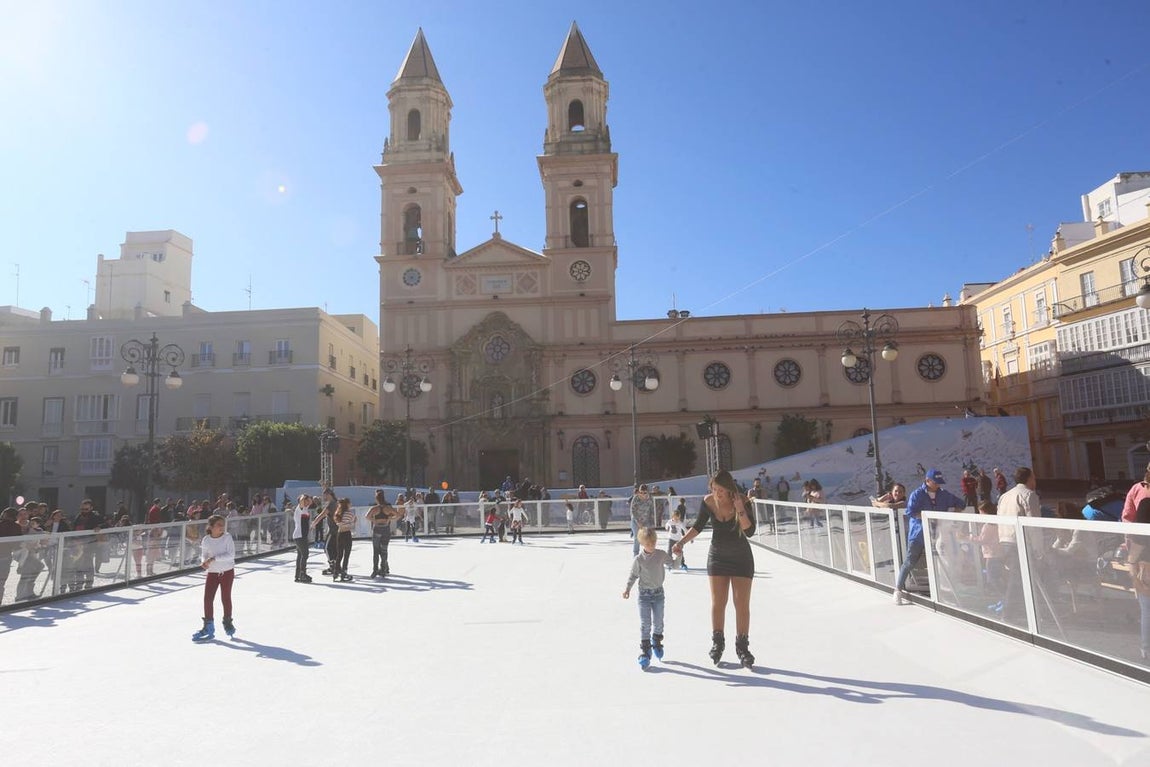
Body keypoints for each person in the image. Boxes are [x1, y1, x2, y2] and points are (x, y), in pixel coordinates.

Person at [672, 470, 757, 668]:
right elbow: (698, 526)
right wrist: (681, 543)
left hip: (741, 558)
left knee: (741, 604)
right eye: (714, 489)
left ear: (729, 489)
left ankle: (742, 647)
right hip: (717, 557)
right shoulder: (709, 502)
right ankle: (717, 643)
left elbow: (750, 531)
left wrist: (739, 509)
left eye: (720, 489)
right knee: (718, 602)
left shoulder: (742, 500)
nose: (717, 493)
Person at [893, 469, 963, 605]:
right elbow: (911, 511)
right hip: (918, 534)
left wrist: (951, 516)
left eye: (939, 483)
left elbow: (960, 503)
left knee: (941, 561)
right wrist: (928, 518)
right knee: (910, 561)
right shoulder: (917, 494)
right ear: (928, 481)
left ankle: (943, 591)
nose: (938, 485)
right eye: (935, 482)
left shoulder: (944, 494)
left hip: (938, 535)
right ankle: (898, 590)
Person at [623, 527, 682, 669]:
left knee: (658, 622)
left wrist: (678, 555)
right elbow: (633, 575)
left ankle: (656, 640)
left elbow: (674, 565)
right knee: (645, 624)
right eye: (648, 543)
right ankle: (645, 650)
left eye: (654, 542)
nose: (652, 545)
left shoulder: (661, 555)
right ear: (642, 543)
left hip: (658, 594)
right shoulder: (639, 559)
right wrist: (627, 588)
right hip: (644, 595)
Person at [994, 466, 1041, 622]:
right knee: (1018, 579)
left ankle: (1021, 612)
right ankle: (1009, 615)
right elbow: (1033, 524)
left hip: (1006, 540)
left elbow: (999, 519)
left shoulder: (1005, 496)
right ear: (1028, 479)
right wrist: (1038, 548)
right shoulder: (1029, 495)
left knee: (1017, 577)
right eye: (1033, 477)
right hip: (1021, 542)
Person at [192, 514, 236, 641]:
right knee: (207, 599)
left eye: (223, 525)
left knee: (225, 597)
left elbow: (231, 555)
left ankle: (227, 621)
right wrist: (204, 562)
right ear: (211, 527)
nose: (222, 527)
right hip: (212, 572)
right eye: (219, 525)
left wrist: (213, 558)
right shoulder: (206, 539)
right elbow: (203, 555)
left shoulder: (227, 538)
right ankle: (208, 625)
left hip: (226, 571)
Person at [1127, 498, 1150, 662]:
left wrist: (1134, 577)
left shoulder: (1146, 505)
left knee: (1147, 612)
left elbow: (1133, 557)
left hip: (1146, 572)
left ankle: (1146, 649)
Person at [367, 490, 398, 578]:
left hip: (377, 529)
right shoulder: (388, 507)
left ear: (376, 498)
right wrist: (389, 519)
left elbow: (367, 516)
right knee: (384, 550)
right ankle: (383, 569)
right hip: (385, 529)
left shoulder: (374, 508)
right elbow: (398, 515)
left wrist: (374, 520)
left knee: (376, 551)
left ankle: (375, 570)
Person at [332, 498, 356, 582]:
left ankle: (335, 572)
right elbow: (352, 524)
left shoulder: (337, 514)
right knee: (346, 554)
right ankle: (344, 572)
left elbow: (339, 524)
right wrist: (351, 523)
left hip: (340, 534)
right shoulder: (350, 514)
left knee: (339, 554)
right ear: (347, 504)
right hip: (347, 534)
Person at [291, 493, 313, 583]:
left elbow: (311, 502)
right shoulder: (299, 509)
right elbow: (301, 502)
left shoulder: (305, 509)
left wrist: (308, 498)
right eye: (306, 500)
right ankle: (302, 574)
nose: (308, 502)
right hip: (299, 535)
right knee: (305, 554)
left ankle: (298, 575)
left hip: (302, 535)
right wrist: (303, 497)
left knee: (300, 555)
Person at [629, 484, 655, 556]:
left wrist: (652, 523)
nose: (643, 494)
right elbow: (633, 510)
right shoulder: (636, 498)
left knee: (648, 538)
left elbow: (652, 510)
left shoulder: (650, 498)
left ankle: (648, 554)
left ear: (648, 492)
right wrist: (638, 522)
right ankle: (635, 555)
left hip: (646, 521)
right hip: (636, 521)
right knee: (637, 538)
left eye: (645, 492)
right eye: (641, 492)